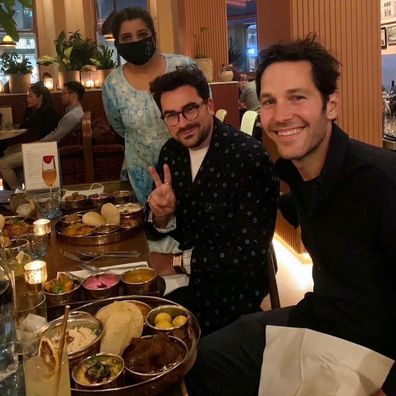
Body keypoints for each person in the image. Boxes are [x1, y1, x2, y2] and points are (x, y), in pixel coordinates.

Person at [185, 36, 396, 396]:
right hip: (323, 320)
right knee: (200, 359)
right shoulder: (297, 174)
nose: (281, 115)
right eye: (269, 102)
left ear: (331, 104)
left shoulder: (381, 181)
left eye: (297, 97)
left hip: (377, 352)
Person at [145, 66, 279, 335]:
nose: (182, 123)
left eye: (190, 109)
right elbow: (154, 224)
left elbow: (250, 253)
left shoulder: (248, 156)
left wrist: (175, 262)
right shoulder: (172, 151)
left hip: (231, 289)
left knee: (151, 334)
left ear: (209, 105)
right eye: (171, 115)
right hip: (182, 278)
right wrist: (161, 214)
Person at [102, 7, 195, 203]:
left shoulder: (183, 67)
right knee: (151, 229)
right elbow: (120, 127)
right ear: (118, 43)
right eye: (126, 37)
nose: (135, 41)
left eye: (142, 34)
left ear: (154, 35)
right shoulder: (113, 85)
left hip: (189, 170)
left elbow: (202, 113)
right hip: (141, 180)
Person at [0, 81, 84, 189]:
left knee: (2, 163)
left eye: (64, 93)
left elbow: (56, 137)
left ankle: (18, 194)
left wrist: (38, 143)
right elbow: (55, 133)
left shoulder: (72, 115)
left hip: (50, 149)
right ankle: (23, 189)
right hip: (49, 146)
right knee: (9, 150)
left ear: (73, 95)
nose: (61, 95)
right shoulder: (73, 112)